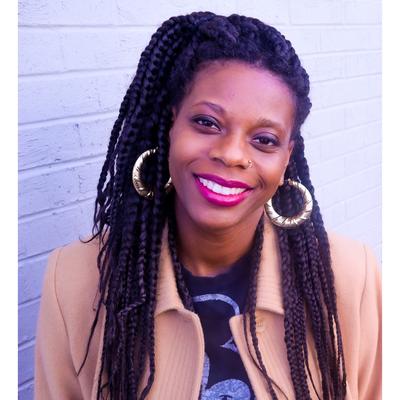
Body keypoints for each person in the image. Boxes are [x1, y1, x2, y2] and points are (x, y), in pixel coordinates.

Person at [34, 11, 381, 400]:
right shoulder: (74, 280)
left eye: (264, 140)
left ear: (287, 157)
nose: (231, 154)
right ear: (171, 125)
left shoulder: (350, 276)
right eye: (207, 123)